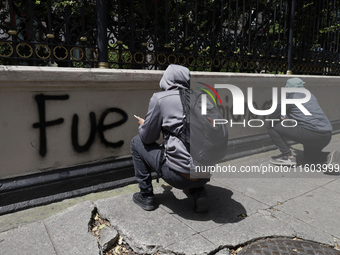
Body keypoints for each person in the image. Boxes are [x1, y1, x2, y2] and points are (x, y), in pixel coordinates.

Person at [130, 64, 210, 212]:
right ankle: (199, 192)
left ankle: (146, 196)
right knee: (195, 148)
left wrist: (143, 125)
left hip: (179, 177)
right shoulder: (203, 98)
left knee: (136, 142)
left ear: (166, 79)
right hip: (205, 174)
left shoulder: (161, 98)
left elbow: (147, 138)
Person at [267, 77, 340, 168]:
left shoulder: (289, 97)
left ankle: (288, 157)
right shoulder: (310, 95)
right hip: (326, 136)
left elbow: (272, 117)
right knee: (309, 156)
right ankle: (329, 156)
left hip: (311, 135)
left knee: (270, 124)